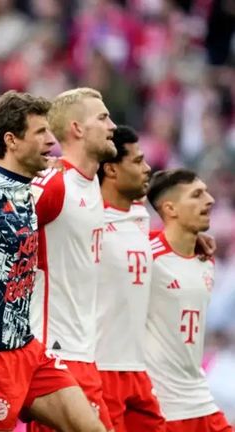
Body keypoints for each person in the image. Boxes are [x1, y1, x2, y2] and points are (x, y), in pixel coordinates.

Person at [0, 90, 105, 432]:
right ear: (11, 140)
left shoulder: (30, 186)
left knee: (91, 427)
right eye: (40, 133)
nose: (52, 141)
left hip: (27, 345)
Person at [28, 87, 116, 432]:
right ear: (77, 128)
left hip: (83, 351)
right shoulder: (54, 184)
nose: (112, 126)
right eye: (103, 118)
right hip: (55, 351)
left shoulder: (91, 184)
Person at [145, 169, 232, 432]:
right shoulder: (146, 256)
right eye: (197, 195)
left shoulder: (205, 259)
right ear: (170, 208)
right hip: (162, 404)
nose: (210, 200)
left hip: (199, 397)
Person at [94, 126, 165, 431]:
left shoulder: (139, 214)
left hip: (137, 369)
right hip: (98, 366)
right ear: (111, 169)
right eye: (137, 161)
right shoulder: (86, 216)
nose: (147, 168)